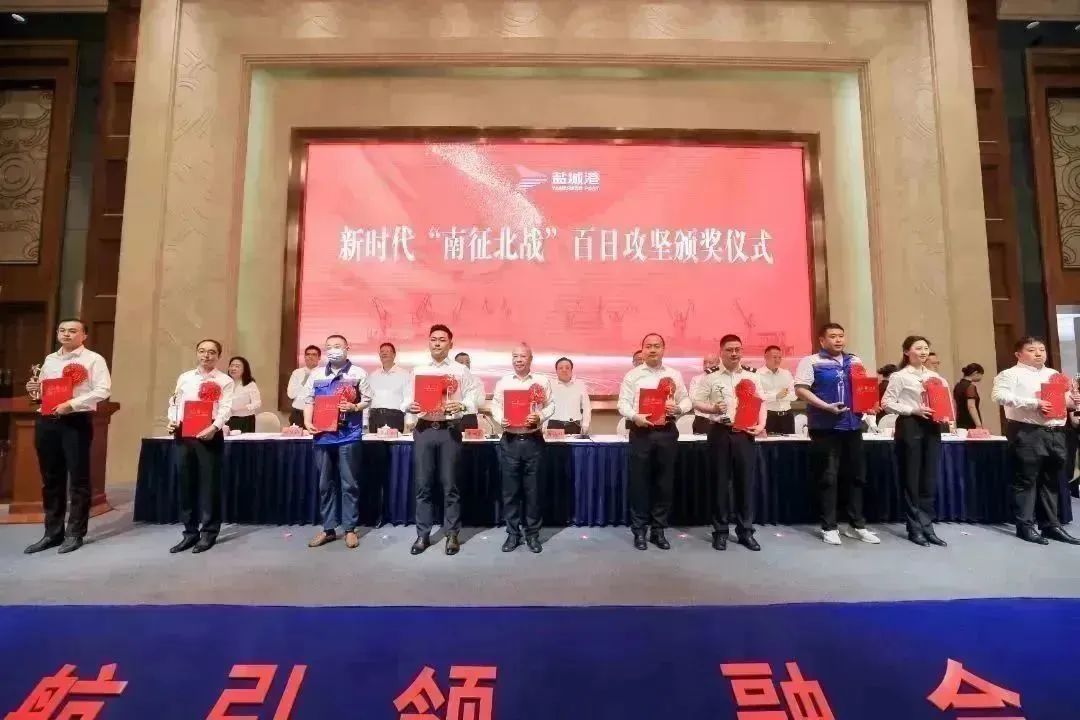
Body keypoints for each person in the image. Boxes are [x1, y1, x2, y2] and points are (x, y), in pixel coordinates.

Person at [22, 319, 112, 555]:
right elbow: (46, 390)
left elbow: (103, 390)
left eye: (72, 331)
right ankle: (52, 532)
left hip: (75, 420)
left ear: (84, 336)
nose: (66, 334)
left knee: (79, 479)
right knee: (51, 478)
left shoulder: (93, 359)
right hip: (47, 420)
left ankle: (75, 533)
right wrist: (35, 390)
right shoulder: (51, 359)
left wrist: (72, 404)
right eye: (62, 330)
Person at [794, 323, 880, 546]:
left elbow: (863, 388)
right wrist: (825, 406)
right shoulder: (811, 361)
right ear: (822, 340)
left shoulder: (854, 360)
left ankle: (856, 525)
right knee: (828, 478)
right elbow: (801, 389)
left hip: (852, 426)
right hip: (825, 427)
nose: (838, 340)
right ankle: (829, 527)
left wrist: (869, 404)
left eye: (841, 336)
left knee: (857, 476)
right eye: (832, 336)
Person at [991, 336, 1080, 545]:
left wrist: (1072, 400)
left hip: (1057, 432)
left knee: (1051, 480)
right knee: (1026, 480)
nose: (1038, 353)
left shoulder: (1054, 374)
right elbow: (998, 396)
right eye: (1031, 350)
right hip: (1027, 431)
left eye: (1041, 349)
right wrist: (1034, 403)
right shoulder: (1010, 374)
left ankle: (1051, 525)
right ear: (1018, 354)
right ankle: (1025, 526)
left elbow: (1065, 402)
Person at [404, 324, 475, 555]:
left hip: (449, 430)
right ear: (428, 342)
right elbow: (405, 399)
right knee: (423, 485)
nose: (437, 343)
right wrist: (410, 406)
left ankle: (452, 534)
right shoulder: (418, 370)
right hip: (424, 430)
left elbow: (474, 396)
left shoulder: (460, 370)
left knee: (450, 485)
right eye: (433, 339)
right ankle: (422, 535)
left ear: (450, 344)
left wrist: (462, 405)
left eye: (442, 340)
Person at [692, 334, 767, 551]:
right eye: (729, 350)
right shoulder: (711, 376)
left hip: (745, 433)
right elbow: (697, 402)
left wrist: (761, 425)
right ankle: (721, 531)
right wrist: (713, 408)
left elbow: (761, 402)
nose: (734, 354)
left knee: (745, 484)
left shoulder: (752, 375)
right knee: (720, 484)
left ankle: (745, 531)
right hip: (720, 433)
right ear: (721, 352)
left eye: (737, 349)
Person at [617, 333, 691, 551]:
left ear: (663, 349)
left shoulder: (674, 374)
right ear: (642, 349)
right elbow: (622, 403)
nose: (652, 350)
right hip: (641, 433)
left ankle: (658, 530)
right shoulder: (633, 376)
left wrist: (679, 408)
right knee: (640, 483)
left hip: (667, 432)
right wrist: (635, 416)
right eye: (648, 346)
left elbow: (686, 399)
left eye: (657, 346)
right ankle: (639, 530)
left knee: (664, 484)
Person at [166, 339, 234, 554]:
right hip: (183, 433)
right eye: (202, 351)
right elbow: (175, 402)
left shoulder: (224, 381)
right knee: (186, 483)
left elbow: (226, 408)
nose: (206, 355)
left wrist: (214, 427)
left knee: (209, 485)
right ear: (197, 353)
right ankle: (190, 532)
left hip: (209, 434)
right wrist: (172, 420)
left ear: (218, 356)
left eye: (212, 352)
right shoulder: (185, 377)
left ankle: (209, 533)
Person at [302, 335, 371, 548]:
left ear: (347, 348)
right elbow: (309, 400)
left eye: (338, 346)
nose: (333, 350)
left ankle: (350, 529)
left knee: (349, 483)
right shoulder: (316, 374)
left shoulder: (358, 373)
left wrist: (354, 407)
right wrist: (307, 421)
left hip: (349, 434)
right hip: (322, 435)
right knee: (325, 484)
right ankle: (328, 528)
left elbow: (367, 399)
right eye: (329, 347)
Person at [881, 336, 950, 547]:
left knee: (928, 479)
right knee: (911, 479)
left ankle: (928, 527)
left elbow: (944, 401)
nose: (923, 352)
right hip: (910, 425)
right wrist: (912, 409)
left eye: (926, 348)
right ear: (906, 352)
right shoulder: (899, 376)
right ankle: (914, 528)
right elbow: (886, 403)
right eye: (918, 348)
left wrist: (946, 415)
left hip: (932, 427)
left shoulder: (935, 377)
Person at [490, 343, 555, 553]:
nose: (518, 360)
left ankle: (532, 535)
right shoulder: (504, 382)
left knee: (533, 491)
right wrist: (501, 418)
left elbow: (551, 405)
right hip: (510, 441)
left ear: (530, 359)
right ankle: (512, 534)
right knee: (510, 492)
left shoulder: (541, 381)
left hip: (533, 441)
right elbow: (495, 405)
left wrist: (540, 416)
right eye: (515, 356)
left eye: (523, 356)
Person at [368, 342, 408, 432]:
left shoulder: (404, 374)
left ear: (394, 355)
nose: (384, 353)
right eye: (382, 351)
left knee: (394, 441)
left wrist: (409, 419)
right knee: (374, 441)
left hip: (395, 417)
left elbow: (408, 397)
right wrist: (365, 420)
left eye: (387, 351)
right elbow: (368, 398)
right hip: (375, 416)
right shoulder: (373, 375)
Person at [757, 345, 796, 435]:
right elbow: (759, 397)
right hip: (767, 416)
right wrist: (776, 396)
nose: (777, 360)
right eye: (774, 357)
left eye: (779, 357)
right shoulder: (757, 374)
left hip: (787, 416)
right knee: (767, 443)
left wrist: (773, 396)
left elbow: (794, 395)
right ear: (766, 357)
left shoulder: (786, 373)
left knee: (790, 443)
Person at [549, 356, 591, 435]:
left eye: (567, 368)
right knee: (554, 444)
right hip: (554, 425)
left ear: (571, 370)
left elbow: (586, 407)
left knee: (573, 444)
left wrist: (585, 425)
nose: (564, 370)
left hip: (574, 425)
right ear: (556, 371)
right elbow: (545, 406)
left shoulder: (580, 384)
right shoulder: (549, 385)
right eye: (561, 368)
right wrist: (543, 426)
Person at [286, 345, 321, 427]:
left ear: (319, 357)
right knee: (296, 435)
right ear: (304, 357)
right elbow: (291, 395)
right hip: (298, 412)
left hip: (316, 412)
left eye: (314, 354)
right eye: (308, 354)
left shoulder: (323, 373)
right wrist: (305, 378)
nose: (310, 357)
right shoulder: (297, 373)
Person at [225, 356, 260, 433]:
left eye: (237, 366)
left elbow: (257, 403)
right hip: (227, 419)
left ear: (244, 369)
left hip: (245, 420)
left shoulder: (250, 384)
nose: (233, 368)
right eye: (231, 366)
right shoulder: (225, 383)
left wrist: (241, 408)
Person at [688, 353, 721, 435]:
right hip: (701, 420)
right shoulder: (696, 379)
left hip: (719, 421)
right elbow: (693, 400)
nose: (707, 365)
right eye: (705, 363)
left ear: (718, 363)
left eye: (710, 363)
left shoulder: (724, 379)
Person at [454, 351, 483, 430]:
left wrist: (463, 406)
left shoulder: (476, 380)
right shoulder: (450, 379)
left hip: (469, 417)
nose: (465, 365)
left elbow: (479, 402)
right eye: (461, 363)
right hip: (452, 417)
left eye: (467, 362)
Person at [953, 363, 985, 430]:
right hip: (970, 422)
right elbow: (971, 406)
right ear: (976, 373)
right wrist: (978, 425)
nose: (981, 377)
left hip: (960, 421)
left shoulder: (957, 386)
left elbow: (955, 405)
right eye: (981, 374)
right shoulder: (970, 387)